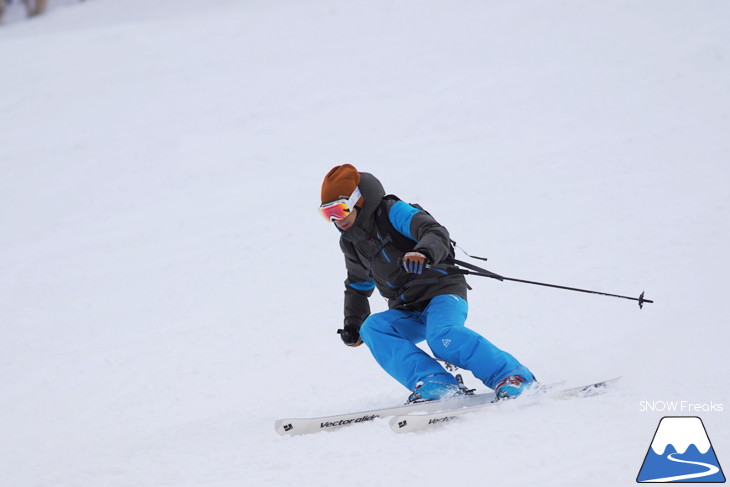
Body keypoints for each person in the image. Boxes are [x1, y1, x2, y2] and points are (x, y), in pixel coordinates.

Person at [319, 164, 536, 403]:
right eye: (328, 215)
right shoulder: (351, 241)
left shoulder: (392, 211)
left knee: (442, 337)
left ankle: (512, 376)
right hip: (406, 307)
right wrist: (353, 323)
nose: (337, 220)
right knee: (373, 329)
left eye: (340, 210)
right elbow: (358, 284)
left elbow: (433, 230)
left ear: (359, 201)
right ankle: (436, 382)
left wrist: (423, 252)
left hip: (441, 292)